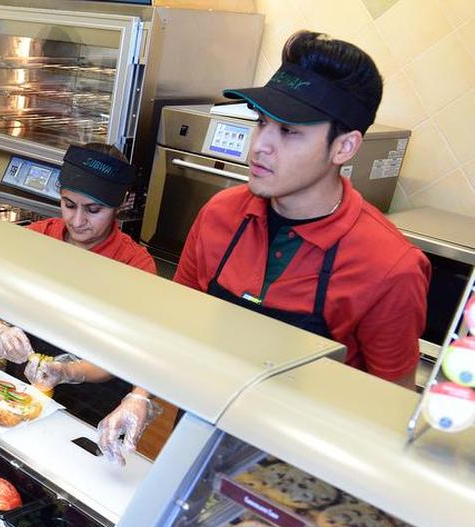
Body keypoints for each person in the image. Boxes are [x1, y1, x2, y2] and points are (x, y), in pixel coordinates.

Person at [175, 30, 429, 388]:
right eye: (261, 123)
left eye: (289, 131)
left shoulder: (389, 267)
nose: (260, 146)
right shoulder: (219, 213)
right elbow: (179, 323)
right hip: (199, 424)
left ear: (344, 148)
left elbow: (392, 404)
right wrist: (140, 396)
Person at [0, 144, 161, 464]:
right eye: (68, 204)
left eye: (93, 210)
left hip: (96, 402)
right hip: (24, 382)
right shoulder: (36, 237)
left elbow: (127, 356)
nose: (78, 220)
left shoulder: (135, 265)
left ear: (120, 206)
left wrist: (69, 371)